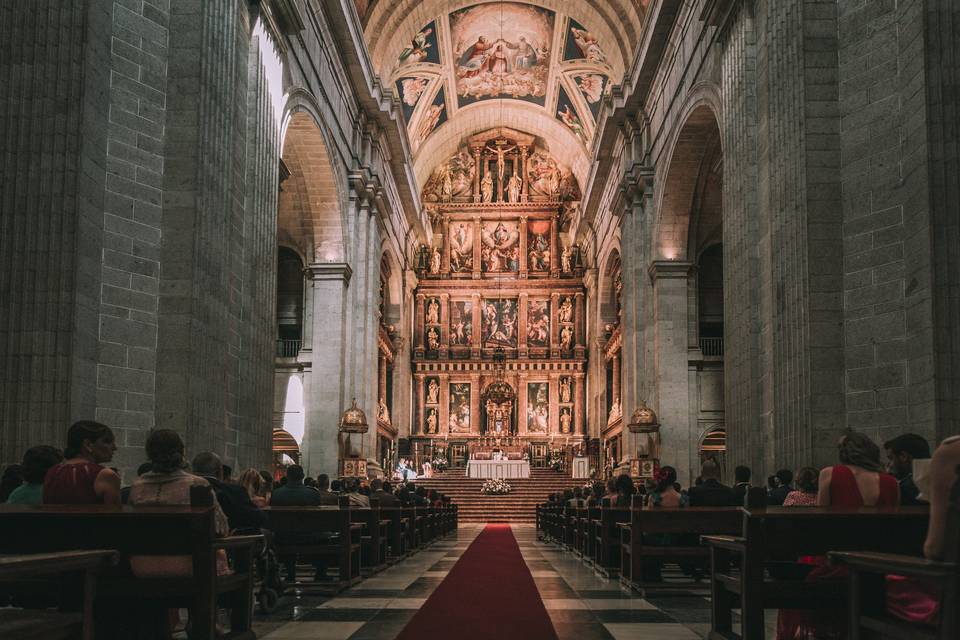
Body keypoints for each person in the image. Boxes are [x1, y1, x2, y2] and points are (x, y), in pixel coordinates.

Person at [777, 430, 900, 640]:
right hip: (880, 567)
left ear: (844, 453)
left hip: (838, 563)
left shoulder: (830, 474)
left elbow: (823, 522)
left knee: (804, 572)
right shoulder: (891, 482)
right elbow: (893, 530)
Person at [128, 430, 229, 576]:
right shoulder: (196, 485)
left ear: (149, 454)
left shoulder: (137, 486)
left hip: (141, 565)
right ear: (182, 452)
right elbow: (220, 529)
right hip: (192, 565)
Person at [885, 434, 960, 626]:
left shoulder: (951, 452)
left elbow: (935, 549)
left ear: (904, 457)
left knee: (867, 586)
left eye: (891, 458)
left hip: (947, 597)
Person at [44, 421, 121, 504]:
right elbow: (114, 515)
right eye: (107, 441)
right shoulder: (105, 475)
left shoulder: (52, 471)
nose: (114, 447)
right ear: (88, 444)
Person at [191, 452, 266, 533]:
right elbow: (258, 518)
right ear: (219, 472)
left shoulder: (183, 489)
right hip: (227, 542)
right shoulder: (235, 492)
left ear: (193, 470)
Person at [884, 433, 931, 506]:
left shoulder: (904, 489)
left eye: (891, 458)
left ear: (903, 456)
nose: (889, 465)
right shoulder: (942, 481)